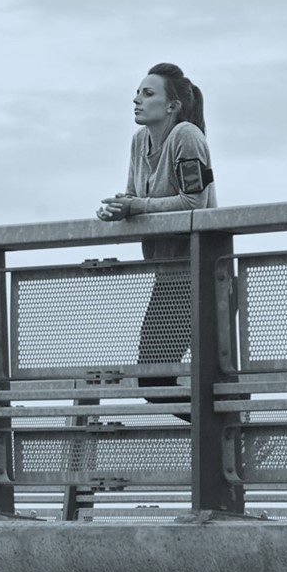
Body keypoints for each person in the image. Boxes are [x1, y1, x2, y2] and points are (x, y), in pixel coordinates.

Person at [96, 63, 216, 384]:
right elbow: (135, 196)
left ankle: (218, 432)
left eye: (148, 94)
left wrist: (135, 206)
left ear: (172, 106)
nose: (137, 99)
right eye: (137, 92)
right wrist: (119, 208)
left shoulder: (186, 135)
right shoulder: (139, 141)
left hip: (200, 273)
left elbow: (194, 203)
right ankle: (213, 432)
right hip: (168, 274)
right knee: (154, 380)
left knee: (159, 379)